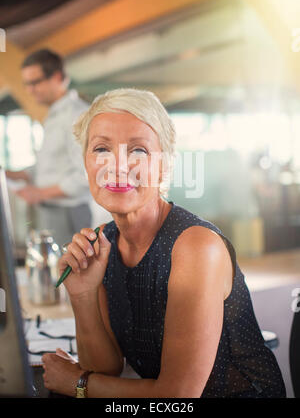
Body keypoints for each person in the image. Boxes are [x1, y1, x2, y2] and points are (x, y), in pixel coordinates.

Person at [41, 88, 286, 398]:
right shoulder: (104, 241)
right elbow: (105, 370)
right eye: (101, 148)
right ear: (86, 163)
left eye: (138, 150)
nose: (117, 166)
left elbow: (177, 396)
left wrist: (77, 384)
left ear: (164, 165)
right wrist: (84, 294)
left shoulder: (196, 247)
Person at [6, 49, 93, 248]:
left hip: (70, 212)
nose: (29, 90)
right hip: (51, 210)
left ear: (57, 77)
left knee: (70, 276)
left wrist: (41, 193)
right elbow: (46, 168)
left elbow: (85, 174)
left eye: (35, 82)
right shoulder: (53, 116)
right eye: (26, 84)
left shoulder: (76, 115)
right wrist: (12, 174)